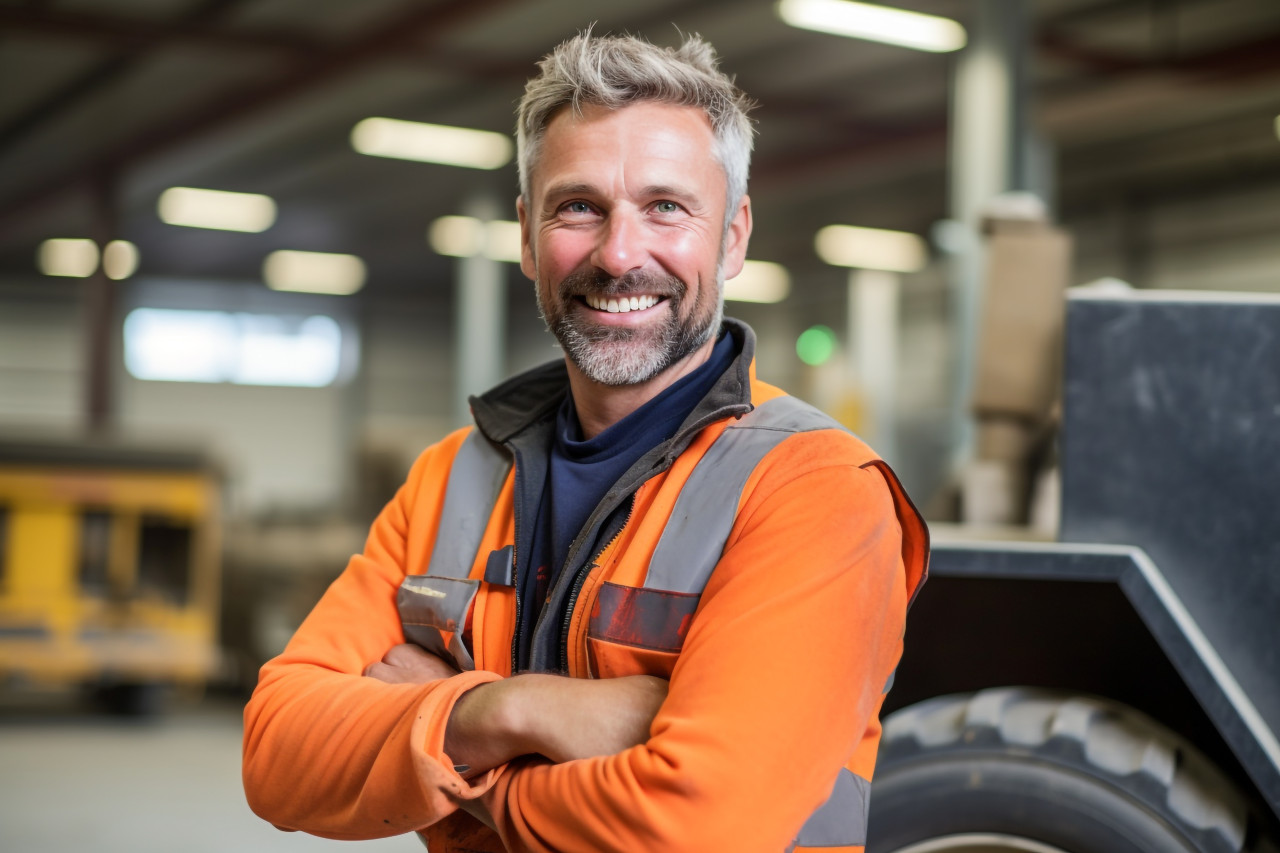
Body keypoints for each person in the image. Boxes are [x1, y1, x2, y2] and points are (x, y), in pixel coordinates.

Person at [243, 30, 928, 853]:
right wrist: (505, 710)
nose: (619, 253)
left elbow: (693, 825)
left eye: (666, 207)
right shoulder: (451, 477)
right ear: (528, 234)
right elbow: (277, 750)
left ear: (734, 236)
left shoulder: (816, 488)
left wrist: (452, 754)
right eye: (579, 207)